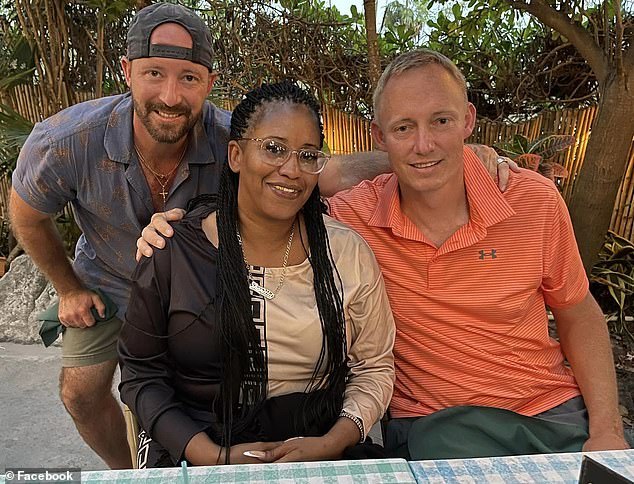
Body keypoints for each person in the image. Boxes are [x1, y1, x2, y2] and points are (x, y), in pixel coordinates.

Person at [8, 1, 502, 466]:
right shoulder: (66, 141)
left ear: (209, 82)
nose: (172, 95)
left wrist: (436, 156)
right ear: (127, 71)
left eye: (189, 78)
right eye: (154, 74)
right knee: (83, 389)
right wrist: (68, 287)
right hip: (112, 275)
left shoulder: (230, 134)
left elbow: (319, 170)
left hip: (205, 271)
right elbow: (27, 217)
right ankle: (126, 468)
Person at [141, 49, 629, 459]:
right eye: (402, 128)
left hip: (553, 409)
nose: (423, 144)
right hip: (439, 426)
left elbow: (577, 311)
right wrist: (179, 221)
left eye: (441, 121)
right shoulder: (352, 221)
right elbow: (284, 180)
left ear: (468, 121)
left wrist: (607, 426)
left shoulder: (535, 201)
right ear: (378, 137)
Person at [118, 81, 395, 468]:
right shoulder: (174, 252)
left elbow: (374, 365)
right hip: (199, 443)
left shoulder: (344, 252)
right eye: (274, 148)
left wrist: (334, 440)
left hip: (318, 443)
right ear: (235, 154)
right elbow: (140, 374)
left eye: (307, 155)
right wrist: (211, 456)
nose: (291, 170)